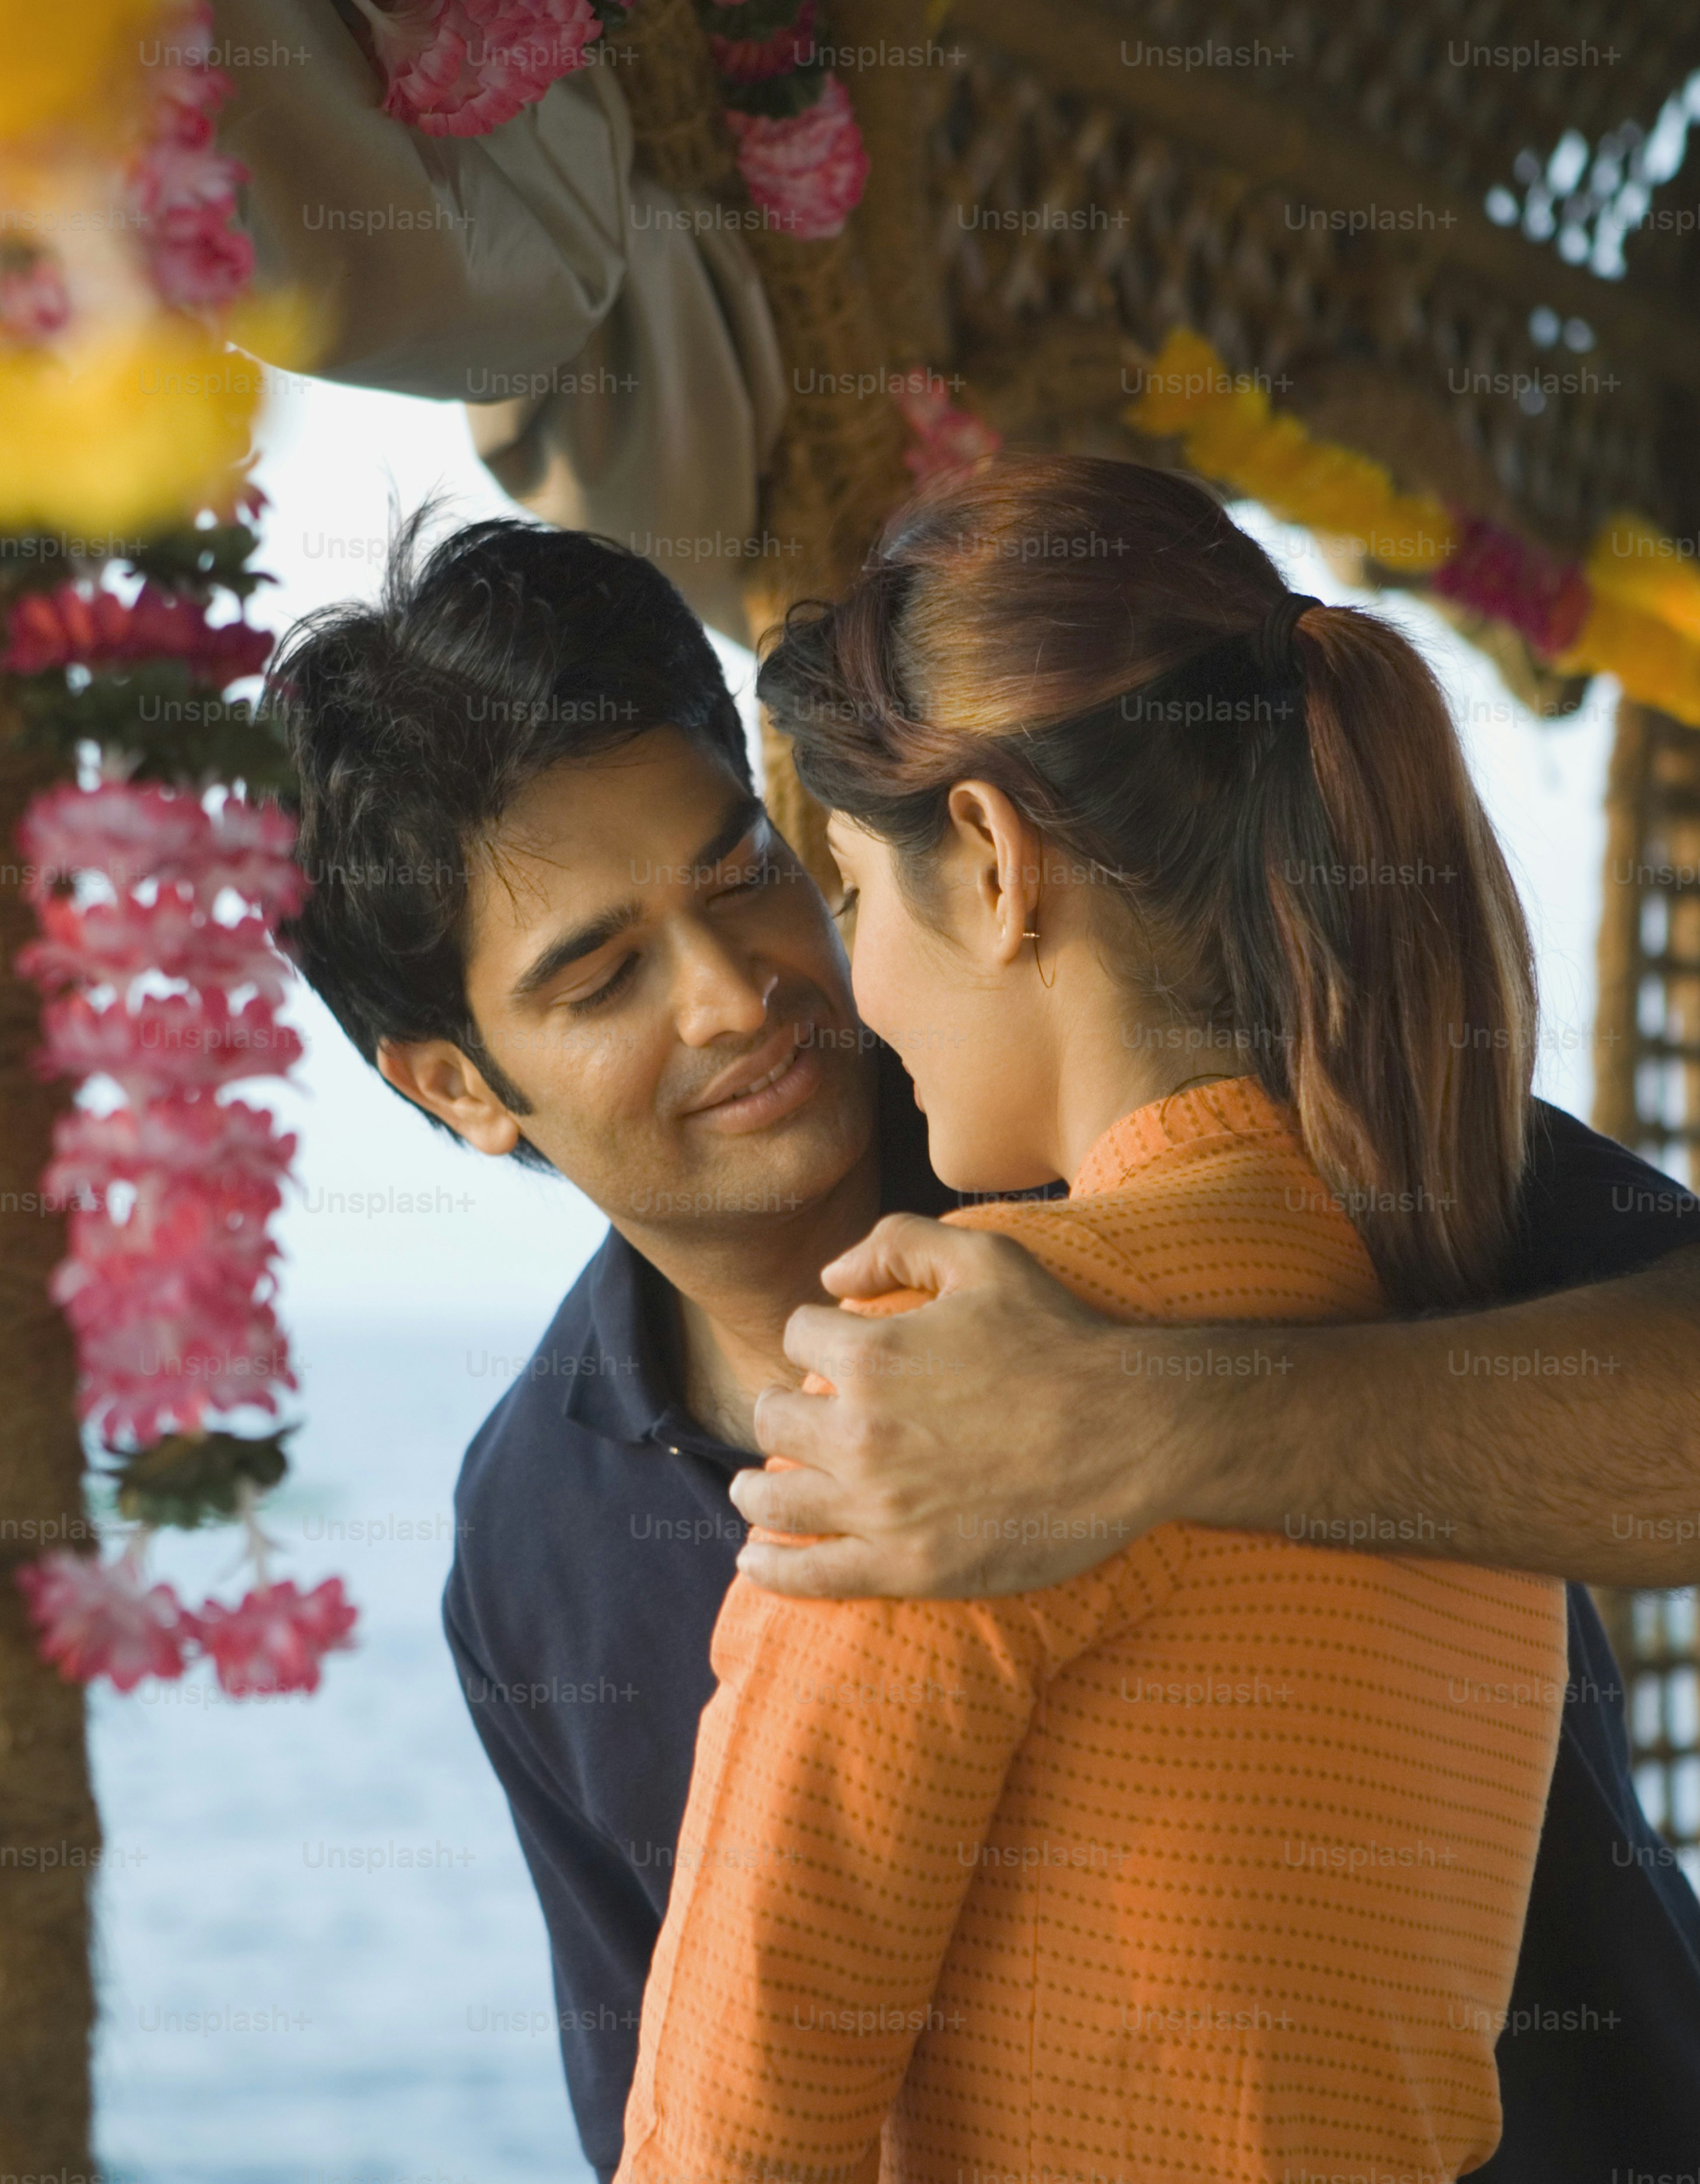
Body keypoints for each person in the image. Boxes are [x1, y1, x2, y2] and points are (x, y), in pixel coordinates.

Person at [269, 505, 1700, 2184]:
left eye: (745, 876)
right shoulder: (533, 1533)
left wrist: (1148, 1421)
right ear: (458, 1085)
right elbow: (682, 2116)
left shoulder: (1301, 1134)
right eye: (604, 977)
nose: (730, 992)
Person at [611, 453, 1582, 2182]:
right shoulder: (1455, 1332)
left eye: (853, 893)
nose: (857, 992)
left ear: (992, 862)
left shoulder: (952, 1390)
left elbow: (728, 2145)